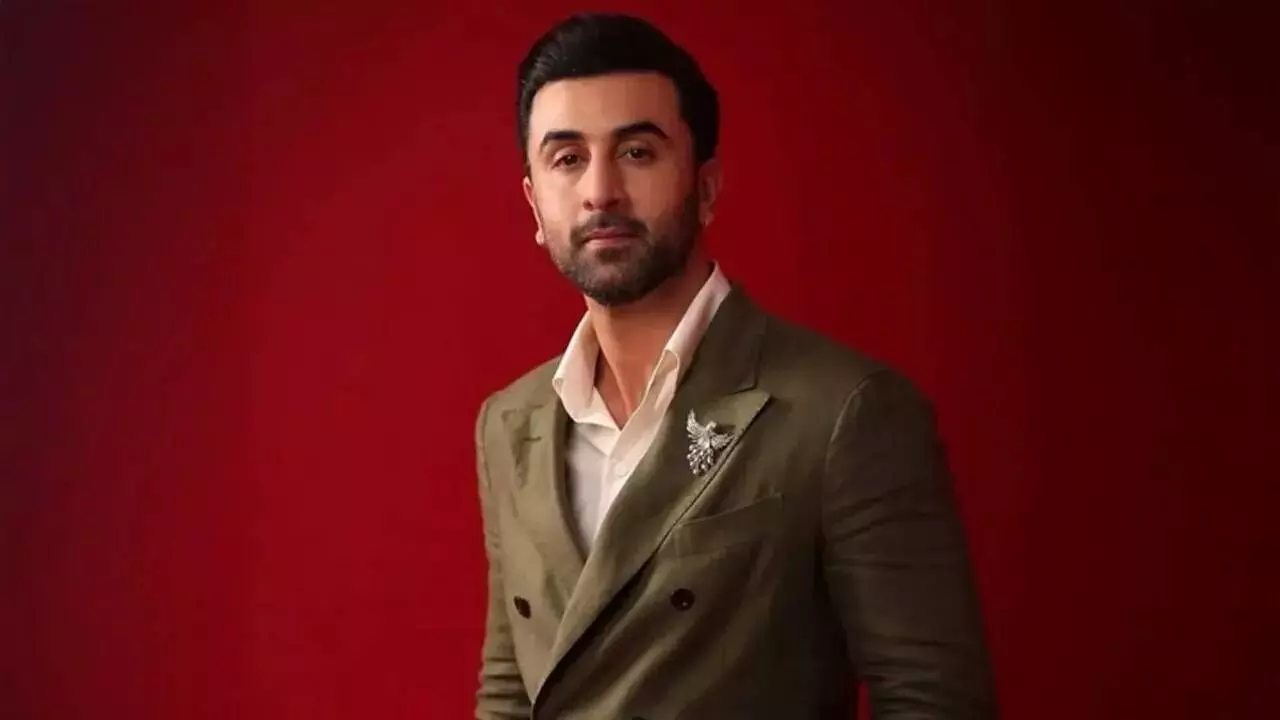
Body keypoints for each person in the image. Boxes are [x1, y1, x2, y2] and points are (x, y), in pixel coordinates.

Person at [473, 12, 996, 719]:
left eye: (637, 152)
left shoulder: (845, 410)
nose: (601, 190)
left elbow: (933, 699)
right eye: (567, 158)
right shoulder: (510, 424)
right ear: (534, 203)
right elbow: (510, 691)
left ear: (707, 187)